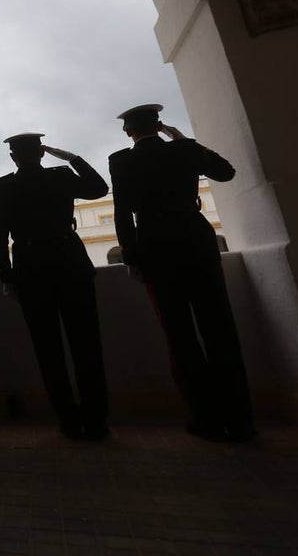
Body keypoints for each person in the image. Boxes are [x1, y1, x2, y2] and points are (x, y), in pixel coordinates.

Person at [109, 104, 254, 442]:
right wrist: (184, 140)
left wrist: (131, 257)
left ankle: (205, 419)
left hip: (155, 247)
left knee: (179, 336)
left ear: (128, 131)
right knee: (220, 329)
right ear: (159, 124)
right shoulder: (185, 150)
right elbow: (226, 172)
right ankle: (240, 420)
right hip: (195, 238)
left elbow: (121, 214)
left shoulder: (121, 161)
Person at [0, 133, 110, 439]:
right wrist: (73, 159)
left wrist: (6, 277)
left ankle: (68, 420)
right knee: (87, 345)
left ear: (13, 157)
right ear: (42, 153)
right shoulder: (62, 176)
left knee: (48, 350)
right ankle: (96, 421)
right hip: (70, 262)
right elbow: (99, 188)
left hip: (30, 269)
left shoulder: (4, 187)